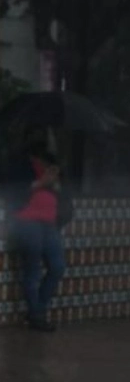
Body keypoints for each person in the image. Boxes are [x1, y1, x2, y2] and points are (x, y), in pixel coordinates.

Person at [4, 140, 69, 332]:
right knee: (32, 270)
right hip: (27, 221)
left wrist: (56, 185)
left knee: (57, 267)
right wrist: (40, 183)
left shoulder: (52, 170)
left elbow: (63, 197)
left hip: (49, 224)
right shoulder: (20, 168)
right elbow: (12, 192)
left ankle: (37, 311)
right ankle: (37, 316)